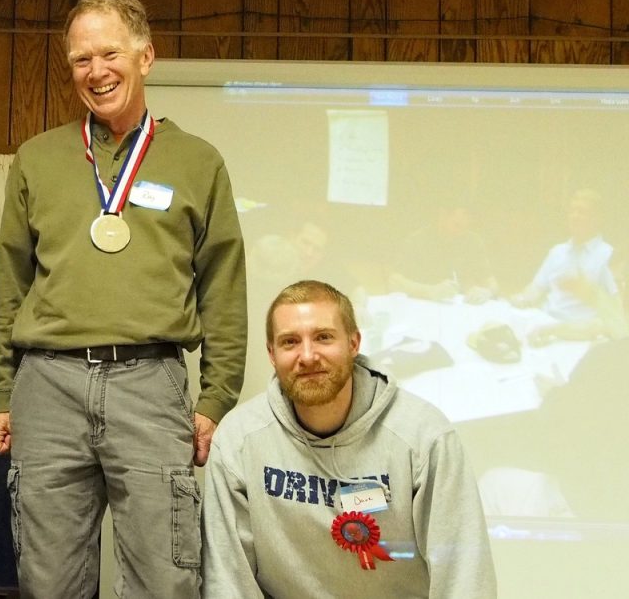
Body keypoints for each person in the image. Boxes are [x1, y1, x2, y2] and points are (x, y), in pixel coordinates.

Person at [0, 0, 247, 598]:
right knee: (47, 582)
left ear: (146, 57)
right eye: (81, 59)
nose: (96, 71)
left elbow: (223, 285)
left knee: (165, 580)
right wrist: (3, 391)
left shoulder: (198, 161)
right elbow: (11, 284)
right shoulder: (37, 159)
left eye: (110, 54)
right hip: (46, 386)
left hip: (151, 383)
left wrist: (215, 398)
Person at [202, 280, 495, 598]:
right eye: (290, 342)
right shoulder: (239, 441)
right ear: (272, 354)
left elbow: (464, 574)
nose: (308, 356)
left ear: (354, 343)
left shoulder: (424, 437)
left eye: (323, 337)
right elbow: (227, 580)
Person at [510, 188, 624, 344]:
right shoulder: (557, 251)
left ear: (597, 219)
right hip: (543, 324)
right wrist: (522, 299)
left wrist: (556, 330)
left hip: (577, 336)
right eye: (572, 211)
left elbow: (616, 317)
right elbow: (536, 288)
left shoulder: (609, 257)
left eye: (582, 212)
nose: (575, 216)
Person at [388, 203, 499, 304]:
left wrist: (487, 292)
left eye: (466, 227)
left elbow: (491, 282)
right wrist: (430, 290)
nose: (461, 232)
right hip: (423, 305)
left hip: (458, 307)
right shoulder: (418, 240)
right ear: (443, 215)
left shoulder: (472, 241)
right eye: (457, 225)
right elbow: (394, 282)